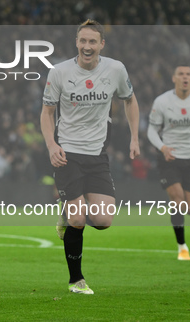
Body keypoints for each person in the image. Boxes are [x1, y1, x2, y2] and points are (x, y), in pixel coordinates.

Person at [40, 20, 140, 294]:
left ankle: (65, 210)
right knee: (78, 220)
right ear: (76, 42)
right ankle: (76, 280)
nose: (87, 46)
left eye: (92, 42)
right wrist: (51, 145)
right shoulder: (59, 72)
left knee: (104, 221)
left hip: (97, 155)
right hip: (67, 153)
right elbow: (47, 112)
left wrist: (134, 137)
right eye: (83, 41)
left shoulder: (115, 69)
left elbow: (129, 99)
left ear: (101, 44)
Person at [147, 65, 190, 261]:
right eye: (181, 74)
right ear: (174, 78)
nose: (185, 77)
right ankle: (182, 247)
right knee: (177, 199)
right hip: (169, 158)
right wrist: (162, 148)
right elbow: (152, 130)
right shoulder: (162, 102)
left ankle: (184, 210)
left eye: (188, 74)